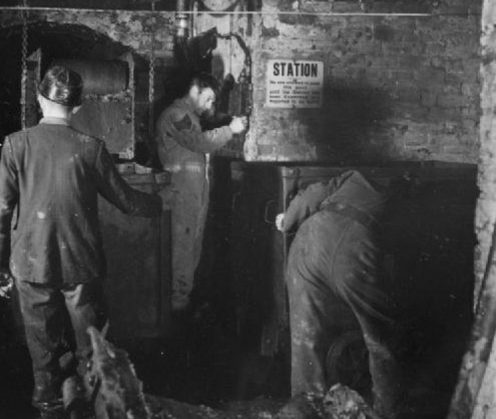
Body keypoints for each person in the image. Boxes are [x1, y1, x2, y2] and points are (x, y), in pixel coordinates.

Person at [0, 65, 162, 419]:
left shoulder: (16, 144)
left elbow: (2, 210)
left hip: (31, 261)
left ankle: (48, 404)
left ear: (39, 100)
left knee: (43, 347)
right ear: (79, 106)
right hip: (80, 262)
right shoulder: (91, 148)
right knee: (91, 346)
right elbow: (127, 201)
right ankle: (95, 406)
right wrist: (158, 203)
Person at [275, 170, 403, 418]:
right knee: (379, 335)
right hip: (352, 241)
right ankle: (387, 412)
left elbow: (312, 194)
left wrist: (287, 219)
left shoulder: (351, 177)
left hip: (308, 238)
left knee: (305, 335)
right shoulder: (397, 188)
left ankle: (304, 410)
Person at [155, 72, 247, 312]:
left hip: (193, 194)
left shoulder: (190, 117)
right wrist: (230, 129)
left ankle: (182, 302)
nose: (210, 105)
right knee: (182, 250)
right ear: (194, 91)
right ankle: (176, 308)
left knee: (192, 247)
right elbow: (199, 143)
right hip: (181, 194)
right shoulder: (176, 115)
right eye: (208, 99)